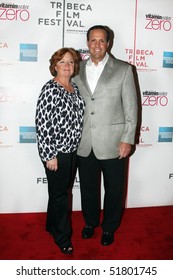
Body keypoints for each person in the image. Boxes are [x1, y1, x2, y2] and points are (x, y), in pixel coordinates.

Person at [74, 25, 138, 246]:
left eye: (102, 40)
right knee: (89, 186)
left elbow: (131, 107)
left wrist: (127, 138)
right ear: (88, 43)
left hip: (114, 141)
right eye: (93, 40)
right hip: (85, 141)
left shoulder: (123, 69)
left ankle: (109, 228)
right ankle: (90, 222)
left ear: (108, 43)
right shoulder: (76, 69)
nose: (97, 45)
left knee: (114, 189)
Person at [35, 48, 85, 254]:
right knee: (60, 196)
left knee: (59, 193)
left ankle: (51, 225)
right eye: (62, 62)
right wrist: (49, 155)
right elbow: (43, 124)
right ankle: (62, 237)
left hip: (72, 151)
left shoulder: (73, 88)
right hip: (57, 153)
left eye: (71, 62)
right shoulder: (50, 89)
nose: (67, 66)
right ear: (54, 65)